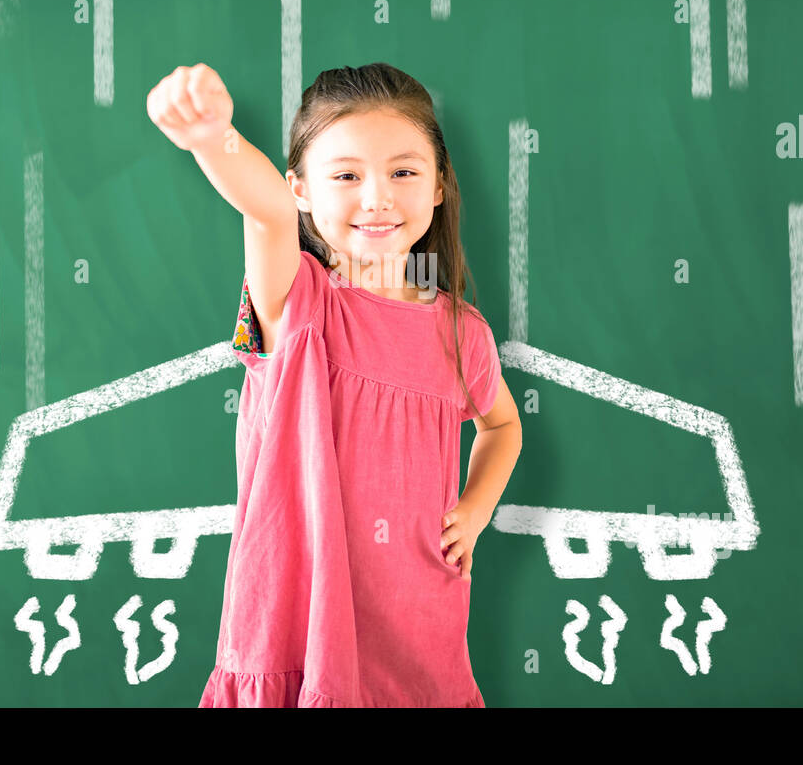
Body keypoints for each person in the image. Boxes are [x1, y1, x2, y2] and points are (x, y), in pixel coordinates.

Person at [146, 62, 522, 707]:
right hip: (297, 621)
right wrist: (214, 137)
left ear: (438, 186)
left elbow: (503, 426)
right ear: (301, 189)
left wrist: (477, 507)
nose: (376, 197)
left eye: (403, 172)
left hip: (420, 627)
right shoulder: (295, 302)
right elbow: (263, 212)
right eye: (346, 176)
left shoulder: (464, 334)